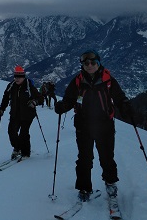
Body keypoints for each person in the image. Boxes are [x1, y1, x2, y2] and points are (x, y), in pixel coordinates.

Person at [54, 50, 133, 202]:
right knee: (84, 158)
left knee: (107, 157)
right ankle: (84, 188)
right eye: (86, 63)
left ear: (98, 63)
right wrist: (62, 106)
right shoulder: (77, 81)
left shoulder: (107, 80)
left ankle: (110, 183)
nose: (89, 66)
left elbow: (119, 97)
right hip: (83, 126)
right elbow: (69, 99)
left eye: (93, 62)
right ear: (82, 65)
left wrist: (125, 106)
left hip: (104, 126)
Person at [0, 65, 44, 159]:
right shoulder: (11, 86)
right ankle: (17, 148)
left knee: (24, 133)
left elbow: (41, 98)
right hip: (15, 114)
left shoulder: (29, 86)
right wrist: (2, 109)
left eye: (19, 76)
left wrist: (35, 102)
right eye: (15, 76)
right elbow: (5, 98)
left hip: (28, 115)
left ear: (23, 76)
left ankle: (26, 153)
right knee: (11, 132)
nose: (17, 78)